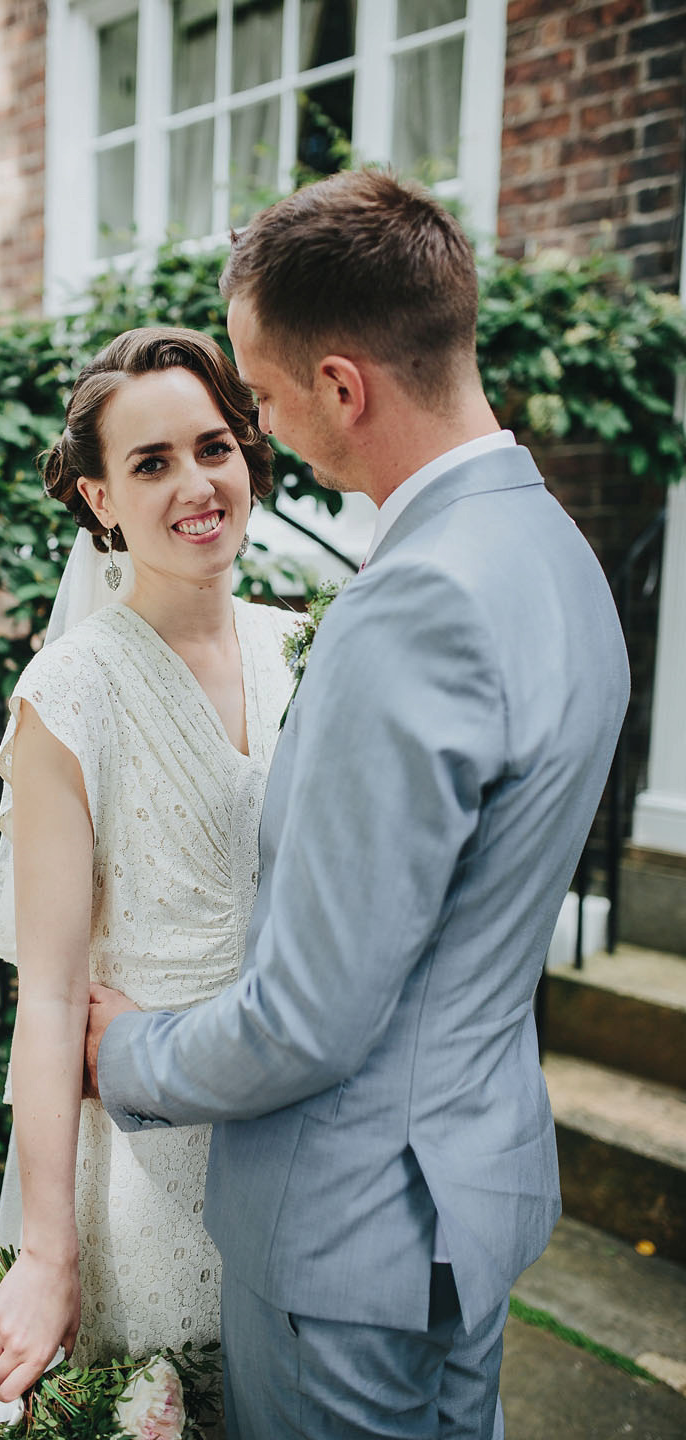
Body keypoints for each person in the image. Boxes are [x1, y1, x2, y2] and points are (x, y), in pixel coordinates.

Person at [87, 169, 631, 1439]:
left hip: (348, 1235)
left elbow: (308, 1021)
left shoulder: (415, 605)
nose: (261, 428)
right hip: (466, 1200)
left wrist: (123, 1054)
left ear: (343, 385)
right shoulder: (559, 552)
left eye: (262, 396)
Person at [0, 326, 295, 1407]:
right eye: (150, 464)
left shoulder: (305, 646)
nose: (195, 484)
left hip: (307, 1142)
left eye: (214, 446)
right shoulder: (72, 696)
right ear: (100, 498)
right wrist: (50, 1254)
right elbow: (54, 994)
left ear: (248, 452)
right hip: (161, 1173)